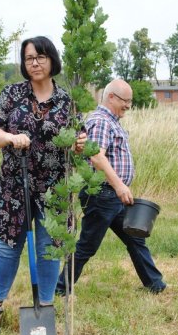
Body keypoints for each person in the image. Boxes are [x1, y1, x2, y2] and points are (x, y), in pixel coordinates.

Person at [0, 36, 86, 335]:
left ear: (52, 60)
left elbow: (78, 140)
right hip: (16, 187)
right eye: (29, 58)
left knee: (47, 249)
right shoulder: (12, 94)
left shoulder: (67, 100)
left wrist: (79, 143)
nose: (35, 63)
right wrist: (10, 138)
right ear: (24, 63)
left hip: (54, 187)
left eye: (41, 57)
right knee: (8, 248)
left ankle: (45, 309)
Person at [56, 78, 166, 296]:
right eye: (126, 101)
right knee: (87, 246)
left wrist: (120, 188)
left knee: (136, 238)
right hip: (103, 194)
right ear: (111, 97)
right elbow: (96, 156)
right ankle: (60, 289)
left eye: (130, 102)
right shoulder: (101, 121)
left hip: (114, 195)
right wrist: (119, 186)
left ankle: (155, 284)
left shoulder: (112, 121)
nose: (128, 106)